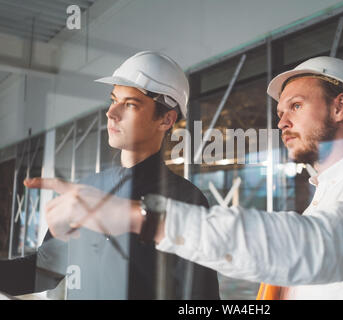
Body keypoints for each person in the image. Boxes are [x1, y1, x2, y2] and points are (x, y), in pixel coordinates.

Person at [25, 56, 343, 299]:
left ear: (339, 107)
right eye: (280, 113)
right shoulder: (325, 197)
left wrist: (141, 218)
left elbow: (318, 247)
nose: (281, 121)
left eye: (295, 105)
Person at [0, 51, 220, 300]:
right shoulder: (88, 189)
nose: (111, 113)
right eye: (113, 100)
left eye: (129, 105)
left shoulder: (186, 200)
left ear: (166, 119)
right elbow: (44, 271)